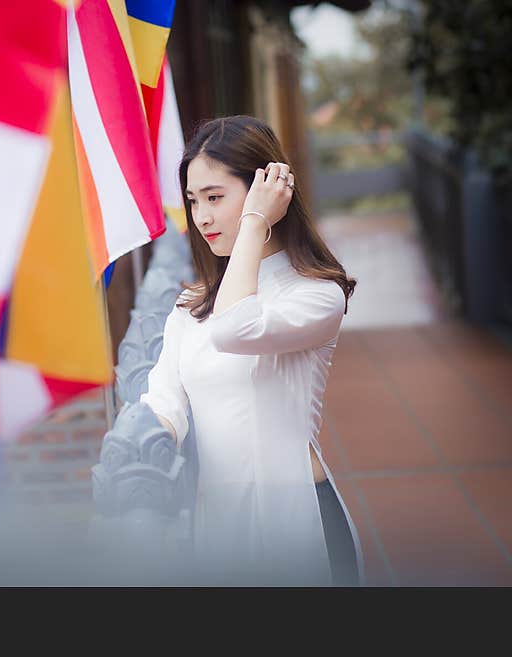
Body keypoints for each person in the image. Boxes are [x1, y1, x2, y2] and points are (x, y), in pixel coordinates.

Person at [139, 115, 365, 586]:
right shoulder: (192, 305)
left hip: (299, 526)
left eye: (216, 198)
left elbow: (235, 329)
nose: (202, 218)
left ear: (268, 188)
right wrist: (138, 451)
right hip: (220, 532)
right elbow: (163, 400)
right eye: (193, 201)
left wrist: (256, 221)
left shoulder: (316, 295)